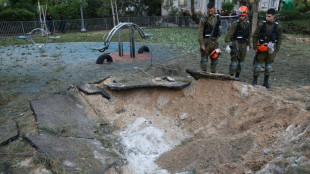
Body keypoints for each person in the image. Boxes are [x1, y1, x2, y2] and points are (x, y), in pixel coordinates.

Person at [252, 8, 283, 89]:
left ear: (273, 16)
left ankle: (265, 82)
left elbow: (280, 38)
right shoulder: (261, 24)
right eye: (266, 16)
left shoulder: (278, 26)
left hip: (271, 49)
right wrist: (255, 46)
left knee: (268, 67)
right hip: (261, 48)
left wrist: (276, 49)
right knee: (258, 65)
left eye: (269, 16)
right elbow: (255, 35)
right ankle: (254, 80)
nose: (267, 18)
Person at [224, 6, 251, 78]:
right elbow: (229, 33)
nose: (241, 17)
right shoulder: (235, 23)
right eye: (240, 16)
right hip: (236, 43)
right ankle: (231, 76)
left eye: (242, 16)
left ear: (245, 15)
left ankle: (237, 76)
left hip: (244, 45)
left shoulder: (248, 24)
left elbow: (248, 35)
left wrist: (248, 45)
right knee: (234, 63)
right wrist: (227, 44)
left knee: (241, 63)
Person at [198, 2, 221, 73]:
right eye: (209, 11)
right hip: (206, 42)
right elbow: (200, 32)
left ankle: (213, 74)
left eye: (212, 11)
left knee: (215, 59)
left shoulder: (218, 17)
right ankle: (203, 73)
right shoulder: (203, 19)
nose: (210, 12)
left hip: (214, 42)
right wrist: (201, 44)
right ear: (207, 9)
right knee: (204, 60)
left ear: (214, 9)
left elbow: (218, 27)